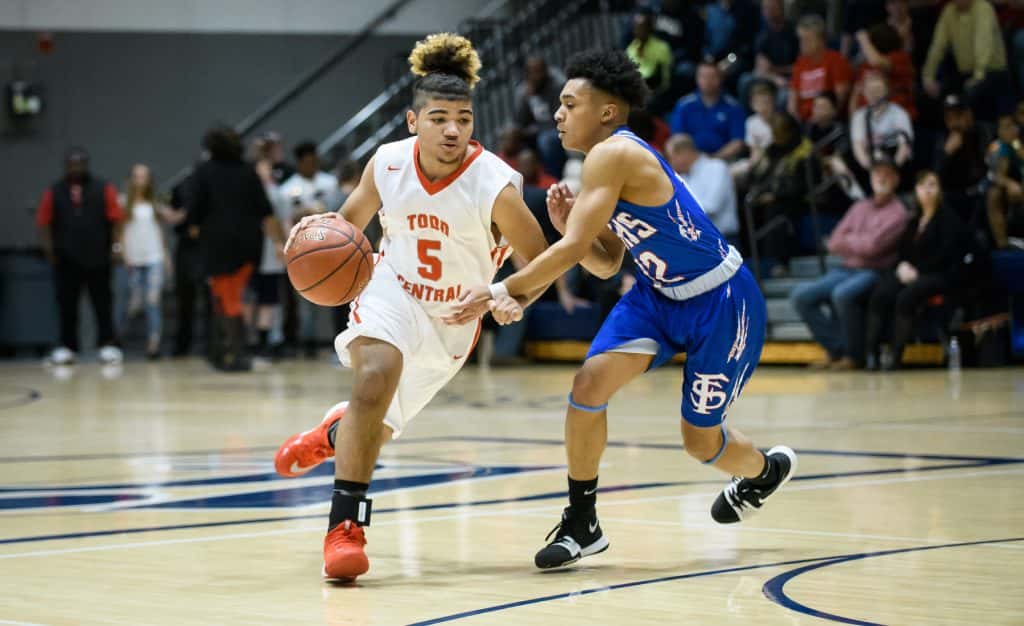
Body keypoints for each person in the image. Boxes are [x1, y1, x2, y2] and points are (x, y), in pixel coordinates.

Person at [452, 49, 797, 570]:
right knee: (588, 385)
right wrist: (572, 230)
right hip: (658, 296)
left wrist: (505, 289)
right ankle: (582, 522)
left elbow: (573, 251)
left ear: (607, 112)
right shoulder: (603, 163)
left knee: (700, 443)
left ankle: (764, 472)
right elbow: (607, 262)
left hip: (721, 302)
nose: (558, 114)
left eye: (570, 104)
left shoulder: (613, 154)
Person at [271, 34, 548, 581]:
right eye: (439, 118)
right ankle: (344, 529)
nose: (452, 130)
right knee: (376, 375)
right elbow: (347, 228)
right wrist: (313, 236)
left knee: (374, 427)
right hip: (391, 288)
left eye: (463, 119)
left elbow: (542, 261)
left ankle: (333, 435)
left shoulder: (494, 184)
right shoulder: (388, 163)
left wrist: (508, 295)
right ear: (412, 121)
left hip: (453, 320)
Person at [790, 158, 908, 370]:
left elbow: (873, 248)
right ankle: (837, 350)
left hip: (875, 270)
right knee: (800, 296)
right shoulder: (860, 206)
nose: (881, 178)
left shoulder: (898, 213)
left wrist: (849, 240)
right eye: (876, 174)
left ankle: (854, 356)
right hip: (846, 268)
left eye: (886, 174)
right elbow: (834, 240)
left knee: (842, 294)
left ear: (896, 179)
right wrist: (858, 241)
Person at [186, 125, 286, 371]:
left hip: (216, 245)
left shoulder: (203, 171)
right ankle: (223, 352)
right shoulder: (248, 171)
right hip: (248, 246)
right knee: (229, 298)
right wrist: (277, 242)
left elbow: (194, 211)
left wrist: (195, 231)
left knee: (224, 298)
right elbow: (266, 211)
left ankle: (235, 354)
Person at [865, 170, 966, 370]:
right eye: (922, 185)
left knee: (906, 297)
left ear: (939, 190)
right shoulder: (913, 220)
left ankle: (896, 356)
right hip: (913, 274)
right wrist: (902, 265)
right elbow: (903, 251)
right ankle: (871, 353)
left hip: (940, 274)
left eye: (932, 185)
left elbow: (947, 254)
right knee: (881, 293)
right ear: (916, 191)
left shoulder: (948, 219)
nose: (927, 190)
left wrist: (918, 271)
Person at [37, 147, 125, 366]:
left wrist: (116, 247)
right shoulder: (55, 190)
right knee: (67, 305)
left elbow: (116, 218)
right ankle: (67, 347)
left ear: (86, 164)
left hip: (98, 256)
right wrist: (49, 250)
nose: (76, 168)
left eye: (80, 163)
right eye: (72, 164)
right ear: (66, 166)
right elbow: (44, 222)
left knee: (102, 303)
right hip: (66, 258)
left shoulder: (103, 187)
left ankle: (108, 344)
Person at [279, 141, 343, 357]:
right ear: (299, 163)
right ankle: (308, 344)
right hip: (303, 250)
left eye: (314, 161)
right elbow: (285, 220)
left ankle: (340, 343)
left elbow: (342, 211)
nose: (311, 165)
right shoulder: (287, 188)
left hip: (332, 247)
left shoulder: (330, 182)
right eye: (307, 162)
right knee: (306, 300)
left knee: (339, 295)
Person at [922, 0, 1010, 120]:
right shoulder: (949, 11)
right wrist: (928, 76)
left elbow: (983, 42)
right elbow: (938, 45)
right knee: (935, 96)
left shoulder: (983, 8)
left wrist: (978, 76)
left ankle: (982, 128)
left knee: (972, 93)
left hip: (991, 72)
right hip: (966, 74)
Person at [117, 163, 171, 359]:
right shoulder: (123, 202)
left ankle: (153, 343)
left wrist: (166, 256)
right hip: (133, 258)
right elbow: (119, 231)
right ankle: (118, 337)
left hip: (154, 256)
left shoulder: (155, 204)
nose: (140, 181)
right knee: (133, 303)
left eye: (144, 177)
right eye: (137, 176)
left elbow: (160, 231)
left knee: (153, 300)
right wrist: (123, 254)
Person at [666, 134, 739, 245]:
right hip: (697, 242)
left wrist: (678, 213)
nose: (671, 163)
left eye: (672, 157)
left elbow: (712, 207)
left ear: (684, 153)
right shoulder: (683, 177)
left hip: (724, 240)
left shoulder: (717, 167)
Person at [668, 60, 746, 159]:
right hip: (690, 161)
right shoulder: (684, 105)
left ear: (721, 78)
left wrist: (713, 159)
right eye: (703, 76)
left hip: (724, 161)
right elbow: (678, 137)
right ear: (697, 78)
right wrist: (694, 159)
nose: (707, 81)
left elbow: (737, 142)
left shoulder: (733, 107)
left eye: (712, 77)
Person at [789, 15, 852, 121]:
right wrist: (795, 120)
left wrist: (817, 120)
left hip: (827, 119)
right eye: (801, 39)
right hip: (803, 122)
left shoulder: (836, 60)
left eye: (807, 39)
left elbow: (840, 99)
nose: (802, 44)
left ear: (821, 40)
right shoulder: (800, 63)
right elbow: (792, 102)